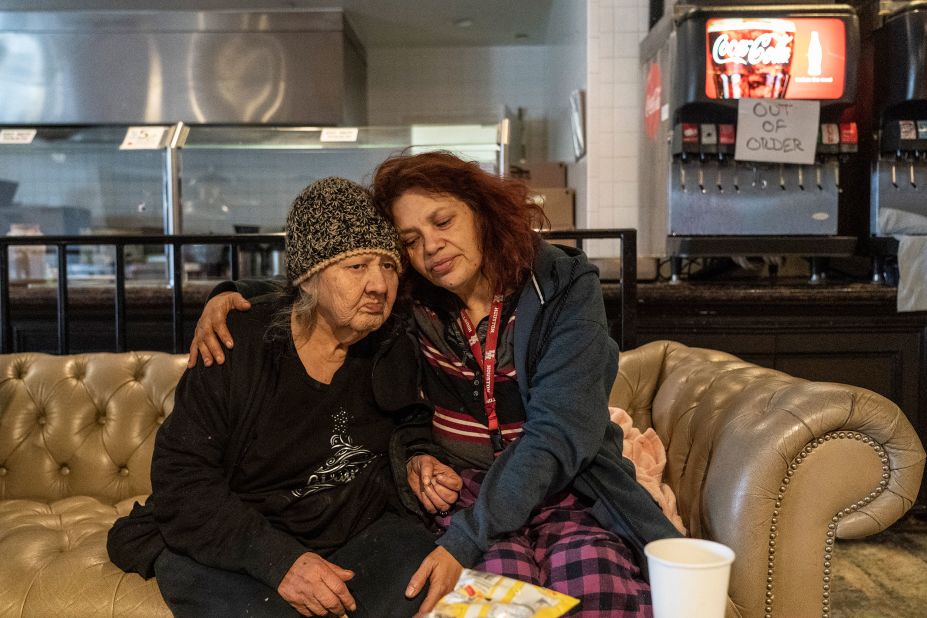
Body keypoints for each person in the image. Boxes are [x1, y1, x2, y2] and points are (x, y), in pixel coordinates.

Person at [189, 153, 683, 617]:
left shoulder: (560, 285)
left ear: (481, 212)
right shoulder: (411, 296)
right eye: (408, 240)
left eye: (442, 222)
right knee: (487, 600)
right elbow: (327, 282)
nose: (430, 247)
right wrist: (233, 294)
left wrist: (464, 540)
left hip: (566, 486)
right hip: (460, 491)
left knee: (596, 586)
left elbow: (556, 436)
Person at [108, 177, 445, 618]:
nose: (380, 285)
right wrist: (279, 561)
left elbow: (410, 419)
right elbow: (183, 480)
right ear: (308, 280)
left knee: (424, 577)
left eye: (388, 266)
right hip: (250, 538)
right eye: (357, 267)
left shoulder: (391, 341)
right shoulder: (236, 346)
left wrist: (419, 455)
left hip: (360, 532)